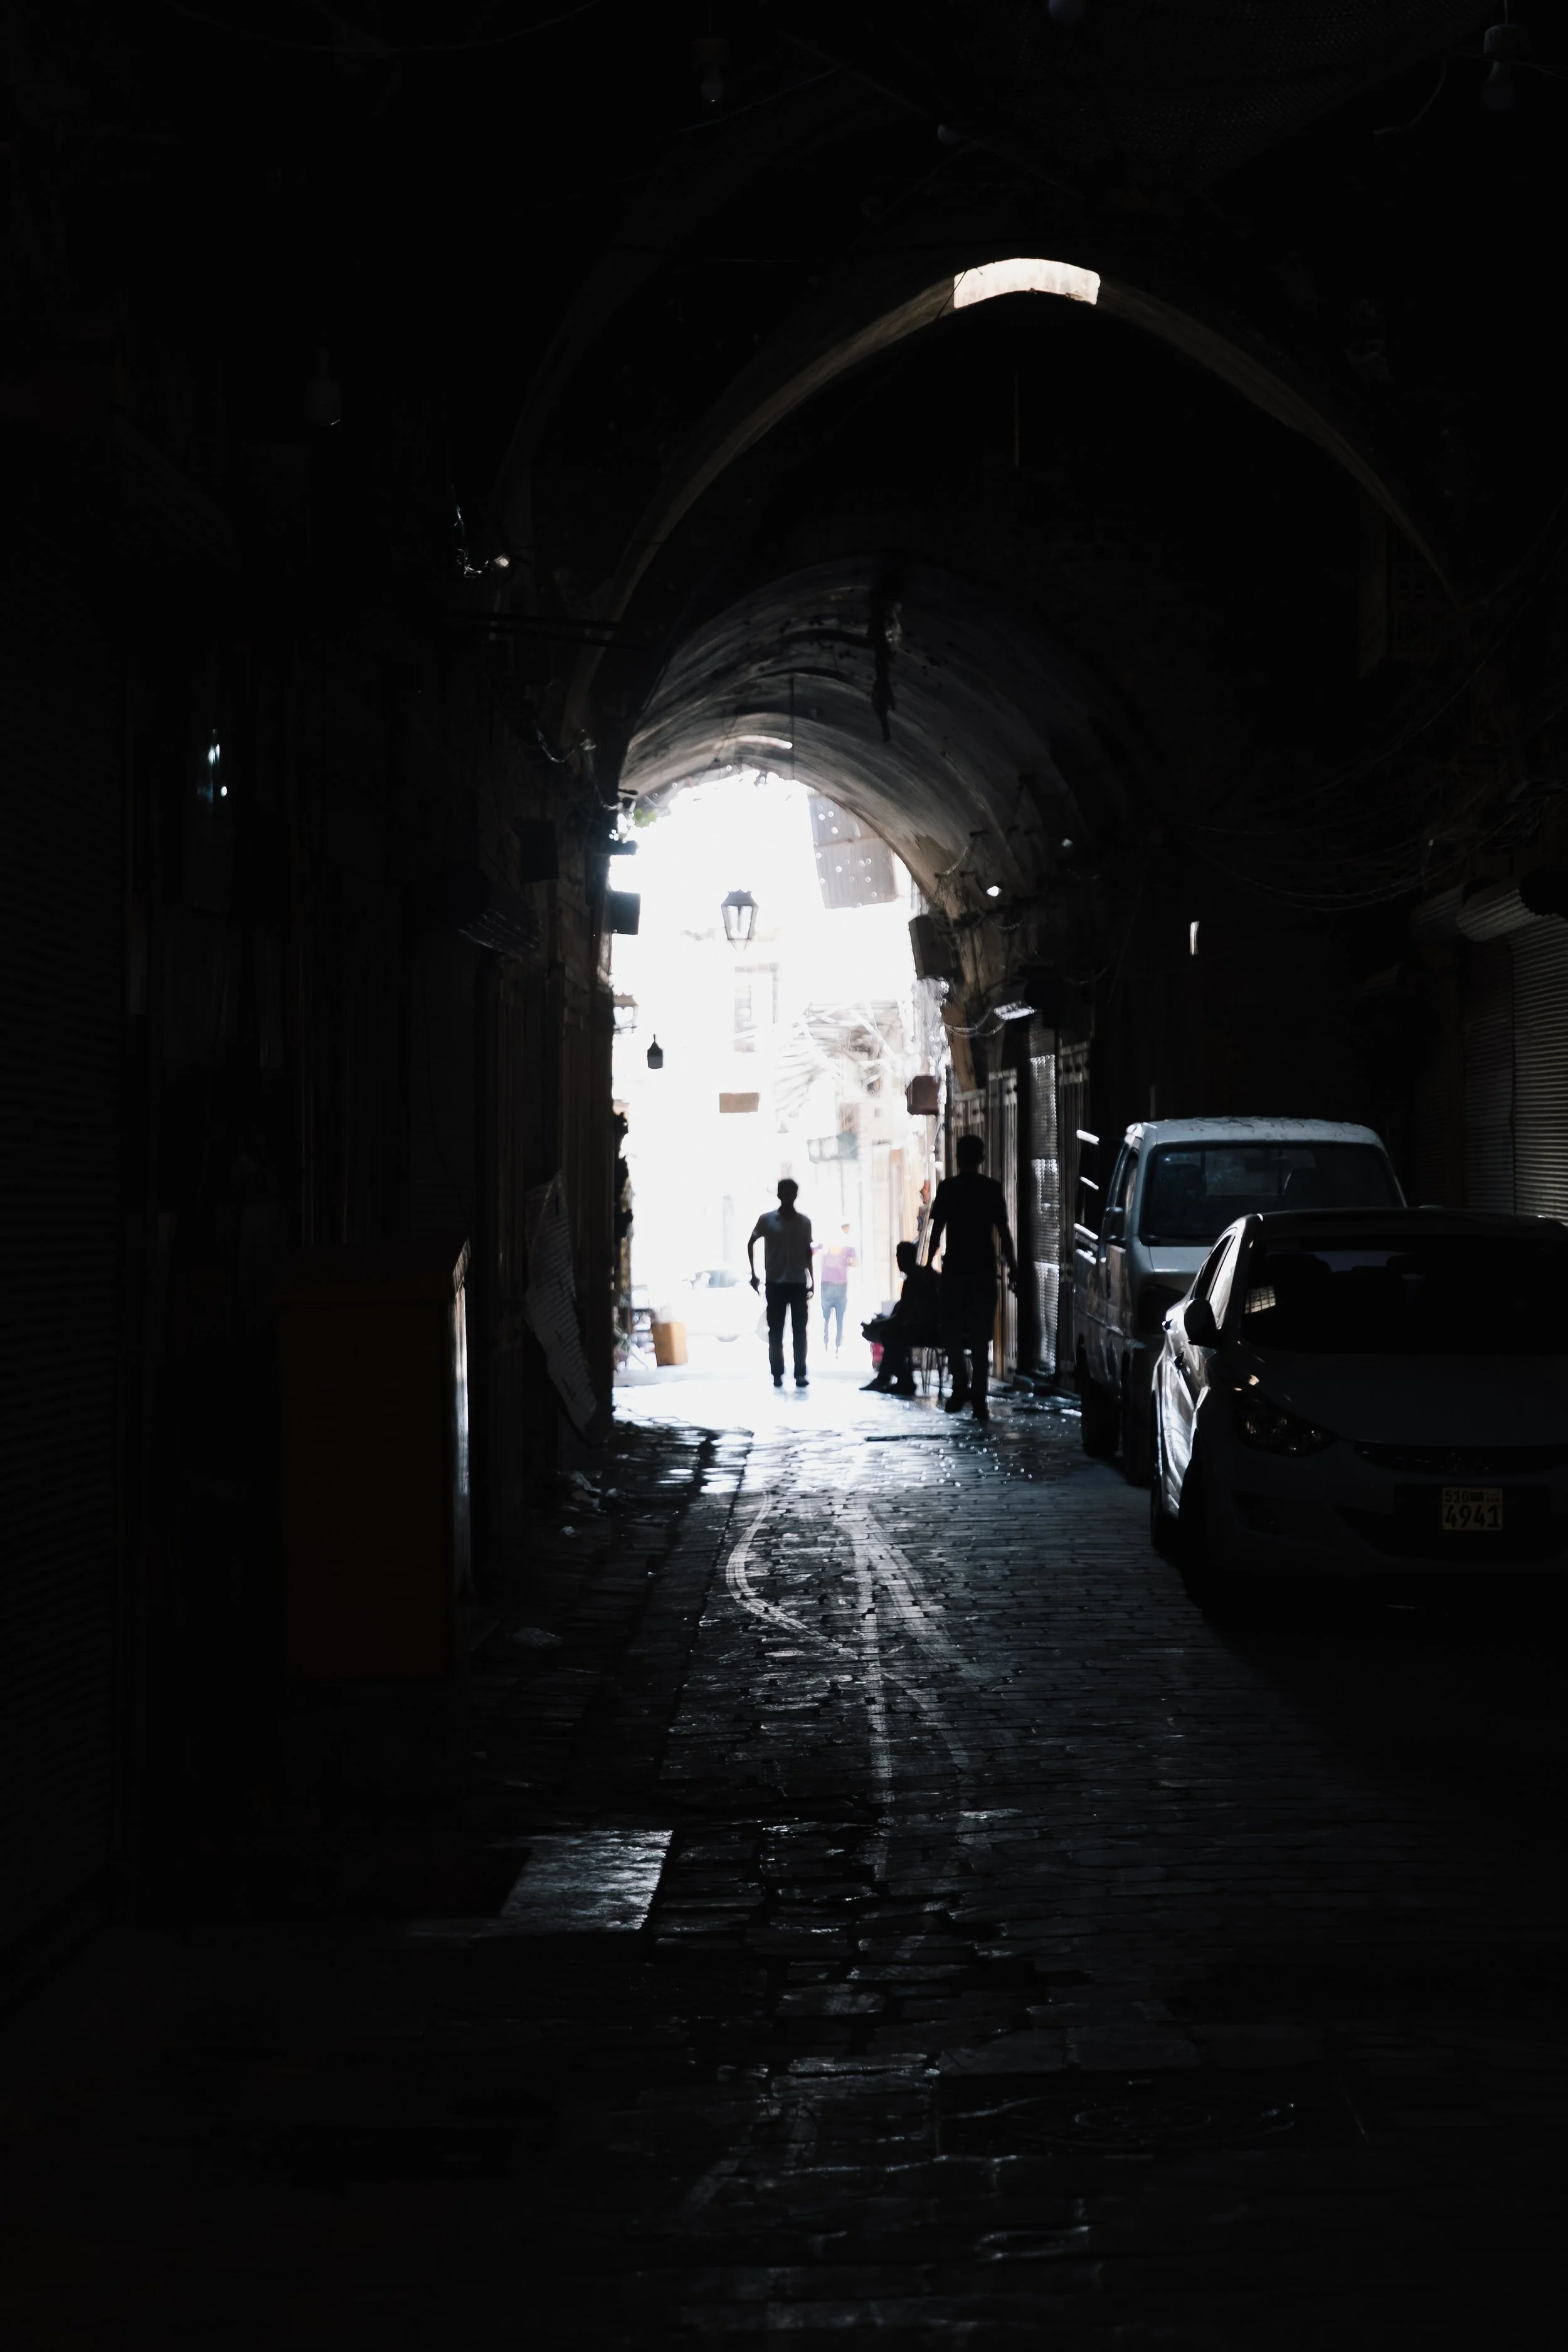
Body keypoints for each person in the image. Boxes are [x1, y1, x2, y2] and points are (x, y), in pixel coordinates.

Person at [926, 1133, 1018, 1424]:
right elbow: (1003, 1232)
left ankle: (959, 1387)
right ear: (981, 1158)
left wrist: (928, 1264)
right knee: (981, 1337)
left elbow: (937, 1231)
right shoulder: (991, 1189)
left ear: (957, 1156)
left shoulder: (948, 1188)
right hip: (982, 1271)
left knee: (952, 1332)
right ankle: (979, 1397)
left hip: (954, 1271)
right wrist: (1013, 1266)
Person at [748, 1179, 813, 1388]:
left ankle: (800, 1374)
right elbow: (751, 1242)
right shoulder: (767, 1220)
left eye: (791, 1194)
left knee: (799, 1331)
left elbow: (807, 1252)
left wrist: (812, 1280)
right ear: (778, 1195)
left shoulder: (804, 1222)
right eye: (784, 1194)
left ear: (796, 1195)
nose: (787, 1198)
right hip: (775, 1283)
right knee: (775, 1331)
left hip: (797, 1282)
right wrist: (754, 1274)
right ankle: (777, 1373)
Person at [861, 1240, 942, 1395]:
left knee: (891, 1335)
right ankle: (890, 1378)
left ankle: (901, 1381)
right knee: (893, 1333)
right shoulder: (919, 1277)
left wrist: (878, 1325)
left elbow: (901, 1316)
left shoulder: (914, 1282)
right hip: (934, 1326)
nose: (897, 1261)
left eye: (899, 1257)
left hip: (930, 1330)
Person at [816, 1222, 856, 1353]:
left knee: (825, 1318)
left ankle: (825, 1344)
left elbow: (812, 1252)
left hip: (826, 1283)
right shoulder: (848, 1244)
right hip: (841, 1284)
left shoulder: (824, 1242)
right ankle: (838, 1346)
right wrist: (846, 1263)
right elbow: (855, 1263)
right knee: (840, 1318)